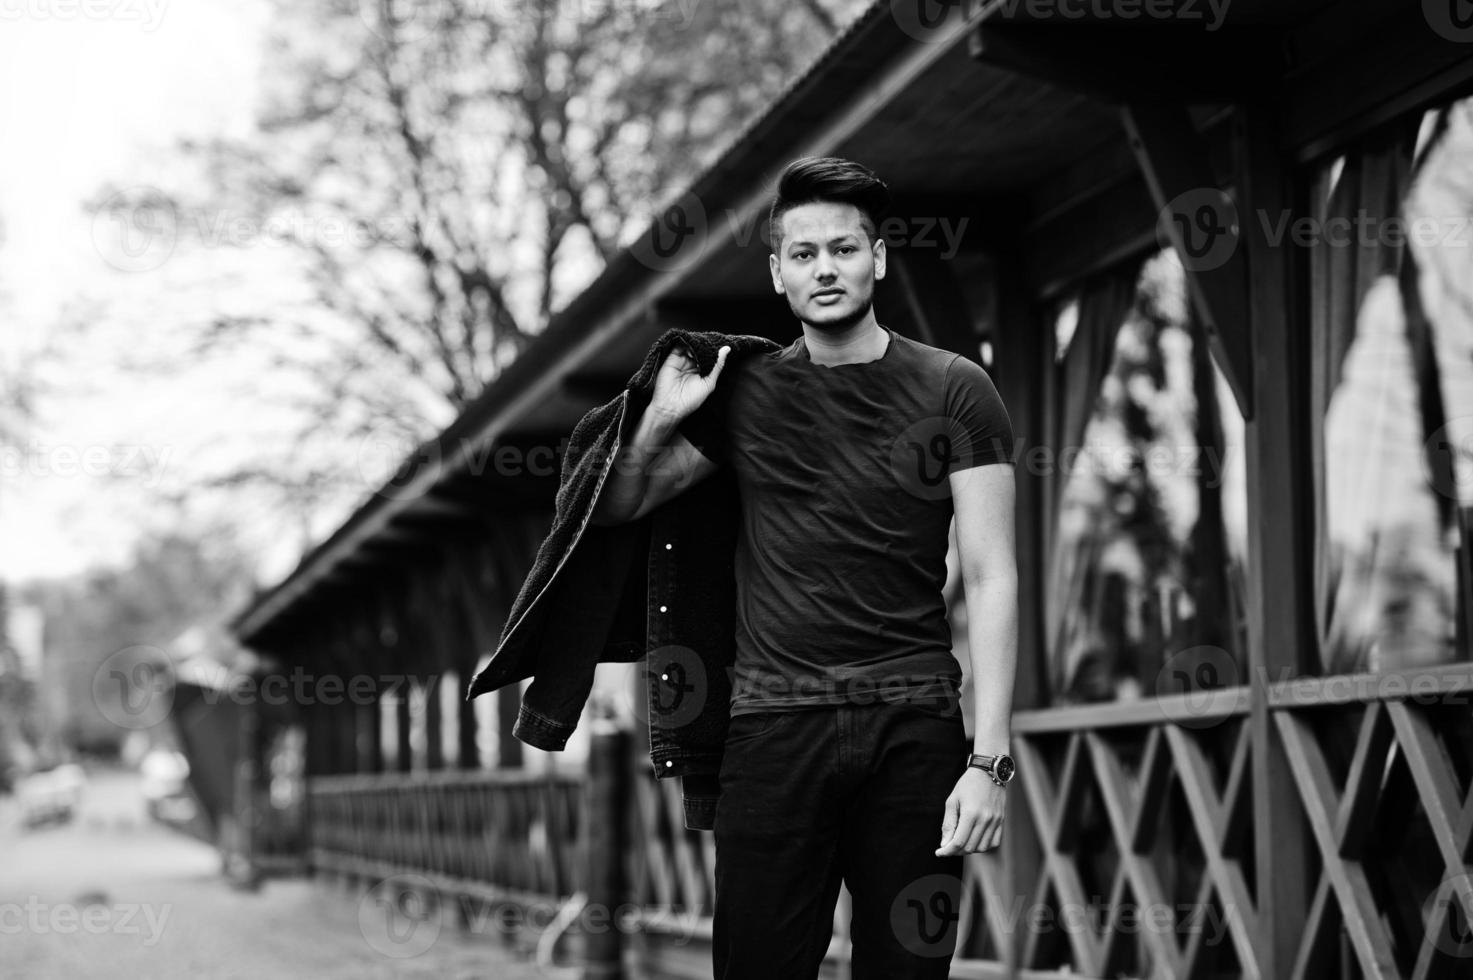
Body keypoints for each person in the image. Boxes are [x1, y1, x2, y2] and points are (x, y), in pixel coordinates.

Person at [590, 156, 1018, 979]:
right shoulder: (743, 392)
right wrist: (658, 425)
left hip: (914, 728)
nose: (827, 268)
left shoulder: (955, 388)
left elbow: (994, 575)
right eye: (806, 253)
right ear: (779, 274)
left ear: (878, 259)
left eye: (845, 249)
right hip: (773, 730)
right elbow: (614, 508)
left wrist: (987, 762)